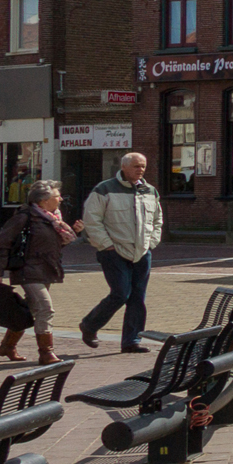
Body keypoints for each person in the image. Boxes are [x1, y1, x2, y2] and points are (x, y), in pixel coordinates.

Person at [0, 180, 83, 364]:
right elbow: (2, 244)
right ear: (43, 200)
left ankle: (7, 346)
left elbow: (50, 245)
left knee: (29, 310)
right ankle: (46, 353)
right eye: (57, 196)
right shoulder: (24, 217)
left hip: (46, 270)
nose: (60, 199)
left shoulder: (52, 218)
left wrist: (73, 232)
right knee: (45, 309)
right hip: (27, 270)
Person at [79, 151, 164, 353]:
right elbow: (92, 220)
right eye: (136, 166)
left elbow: (157, 219)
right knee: (120, 293)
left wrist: (152, 241)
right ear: (123, 167)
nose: (140, 169)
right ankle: (89, 325)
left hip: (142, 252)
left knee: (137, 297)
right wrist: (106, 244)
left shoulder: (150, 191)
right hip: (113, 252)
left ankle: (131, 341)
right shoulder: (104, 189)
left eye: (143, 166)